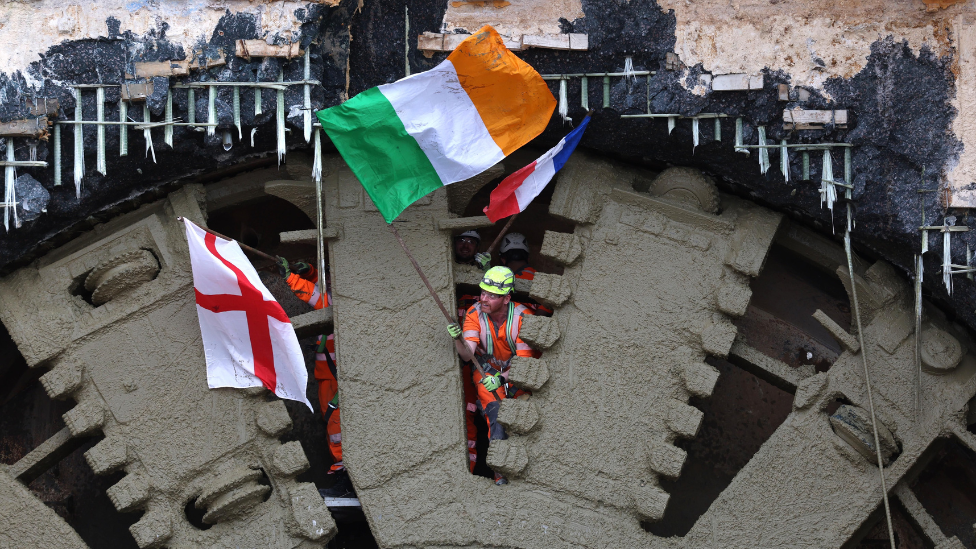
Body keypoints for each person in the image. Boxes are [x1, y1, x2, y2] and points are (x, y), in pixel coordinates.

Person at [447, 266, 536, 485]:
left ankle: (527, 476)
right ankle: (500, 473)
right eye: (483, 292)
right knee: (495, 414)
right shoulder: (474, 313)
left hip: (519, 376)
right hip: (486, 372)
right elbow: (467, 356)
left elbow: (525, 363)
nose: (484, 298)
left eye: (492, 295)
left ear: (506, 298)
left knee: (523, 420)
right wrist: (458, 339)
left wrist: (503, 378)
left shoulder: (525, 317)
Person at [277, 257, 352, 497]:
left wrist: (290, 277)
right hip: (326, 377)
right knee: (333, 428)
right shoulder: (334, 294)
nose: (328, 279)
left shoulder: (339, 303)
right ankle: (342, 476)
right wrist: (309, 271)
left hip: (342, 379)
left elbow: (314, 296)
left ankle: (348, 481)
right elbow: (320, 285)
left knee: (339, 427)